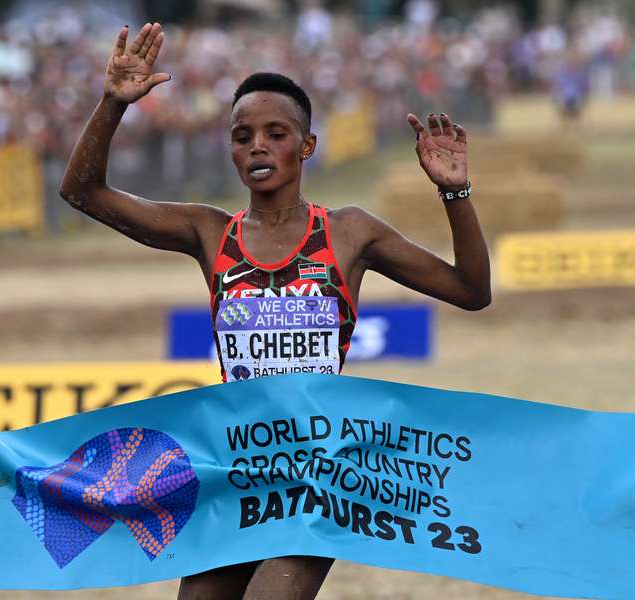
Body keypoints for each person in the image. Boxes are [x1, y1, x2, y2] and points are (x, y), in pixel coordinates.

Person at [60, 22, 490, 600]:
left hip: (319, 471)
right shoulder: (209, 232)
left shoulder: (347, 232)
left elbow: (470, 289)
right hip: (235, 467)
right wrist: (113, 103)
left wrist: (454, 193)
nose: (257, 145)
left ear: (307, 145)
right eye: (242, 136)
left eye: (275, 133)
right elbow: (82, 192)